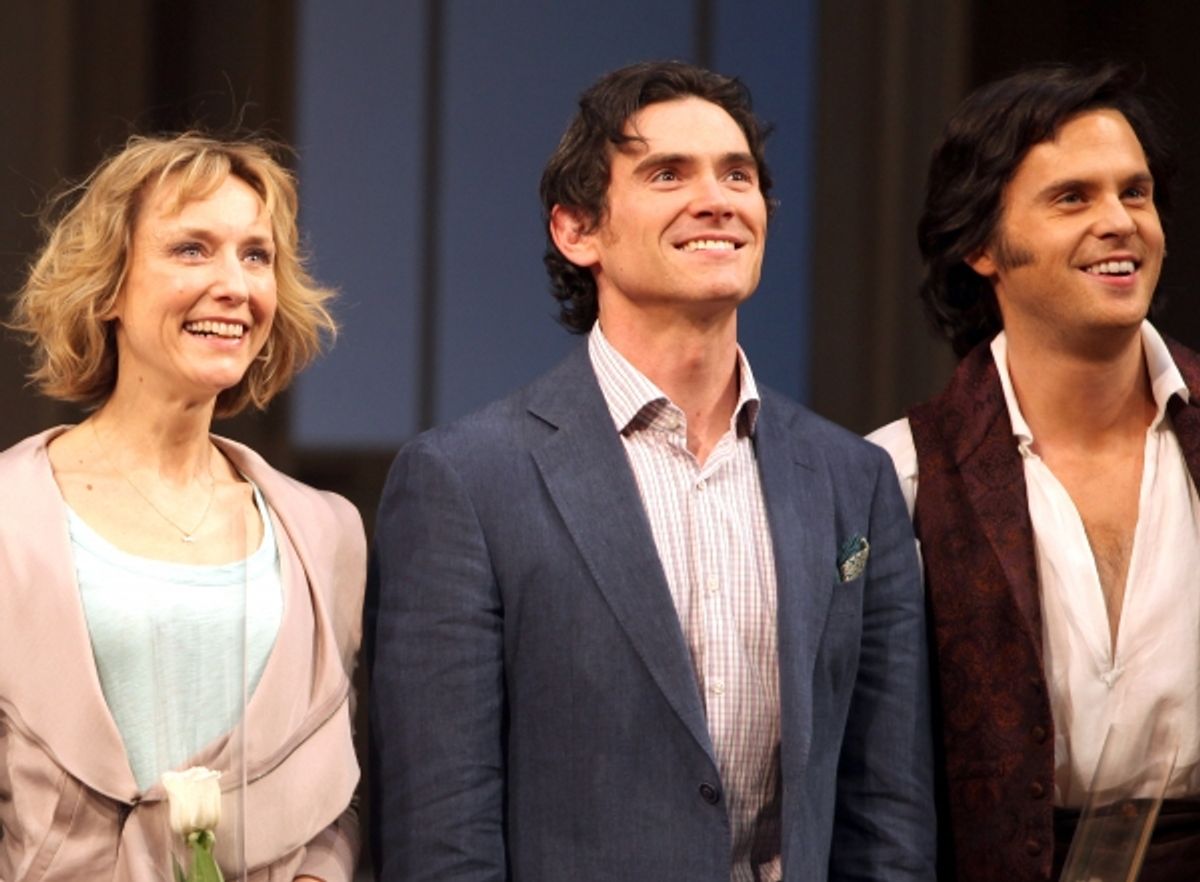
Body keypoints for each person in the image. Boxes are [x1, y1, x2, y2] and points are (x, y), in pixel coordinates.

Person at [370, 60, 934, 881]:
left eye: (737, 175)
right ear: (577, 231)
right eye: (668, 174)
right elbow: (441, 831)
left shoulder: (854, 477)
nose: (717, 199)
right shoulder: (464, 481)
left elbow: (888, 813)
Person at [0, 133, 365, 881]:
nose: (234, 285)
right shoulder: (12, 514)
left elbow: (340, 795)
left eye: (256, 256)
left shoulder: (326, 533)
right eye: (192, 250)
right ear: (108, 286)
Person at [869, 63, 1200, 881]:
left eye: (1135, 193)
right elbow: (869, 781)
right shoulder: (898, 477)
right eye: (1072, 198)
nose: (1119, 222)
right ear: (981, 245)